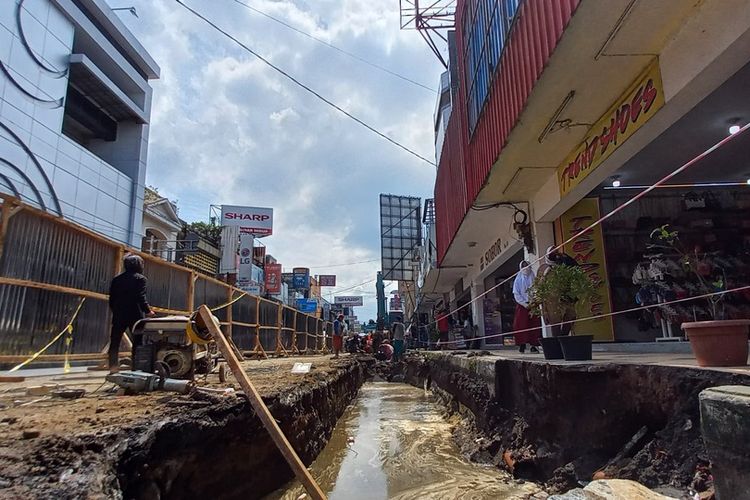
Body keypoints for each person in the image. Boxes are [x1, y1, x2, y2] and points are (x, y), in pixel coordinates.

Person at [108, 254, 153, 373]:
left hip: (119, 314)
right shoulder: (141, 279)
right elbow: (140, 296)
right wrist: (148, 311)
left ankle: (113, 367)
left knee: (115, 341)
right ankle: (136, 367)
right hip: (135, 315)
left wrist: (116, 310)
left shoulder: (116, 279)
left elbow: (112, 299)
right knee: (138, 342)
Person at [512, 261, 542, 353]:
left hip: (533, 305)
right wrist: (525, 304)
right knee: (520, 325)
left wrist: (534, 302)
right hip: (522, 306)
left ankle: (534, 346)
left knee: (534, 325)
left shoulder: (534, 278)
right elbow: (516, 294)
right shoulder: (518, 279)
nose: (526, 268)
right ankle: (522, 344)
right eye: (524, 266)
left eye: (527, 266)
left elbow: (537, 290)